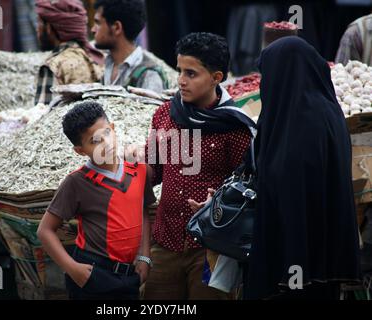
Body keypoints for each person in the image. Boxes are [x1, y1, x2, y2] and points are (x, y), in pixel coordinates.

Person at [139, 32, 255, 300]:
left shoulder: (234, 127)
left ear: (217, 78)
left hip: (211, 247)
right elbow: (153, 170)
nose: (181, 80)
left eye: (191, 73)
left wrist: (217, 204)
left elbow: (248, 189)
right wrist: (131, 168)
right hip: (165, 243)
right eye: (180, 70)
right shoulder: (164, 115)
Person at [246, 36, 361, 300]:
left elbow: (284, 182)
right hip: (323, 258)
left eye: (267, 75)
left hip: (293, 260)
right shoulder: (327, 112)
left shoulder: (299, 123)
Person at [37, 101, 156, 300]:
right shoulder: (76, 182)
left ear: (113, 128)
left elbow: (142, 210)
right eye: (95, 141)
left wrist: (144, 256)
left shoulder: (138, 169)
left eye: (107, 133)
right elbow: (45, 230)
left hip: (130, 274)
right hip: (93, 273)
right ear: (80, 150)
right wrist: (72, 268)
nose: (106, 144)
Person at [34, 0, 104, 105]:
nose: (37, 29)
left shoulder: (53, 66)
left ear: (49, 28)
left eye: (39, 23)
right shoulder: (92, 57)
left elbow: (41, 114)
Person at [91, 0, 169, 92]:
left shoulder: (149, 75)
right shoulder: (103, 64)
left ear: (117, 27)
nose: (93, 29)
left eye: (98, 23)